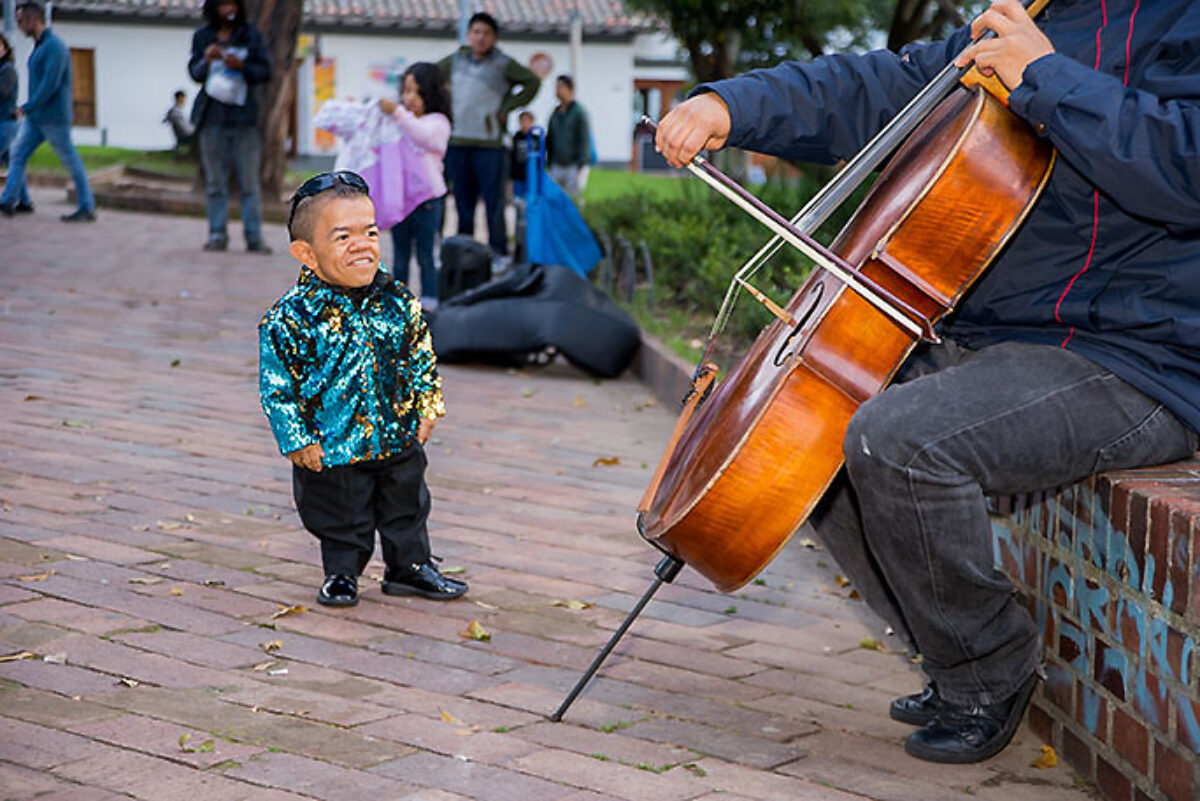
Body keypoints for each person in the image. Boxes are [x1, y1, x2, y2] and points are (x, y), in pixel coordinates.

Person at [655, 0, 1200, 765]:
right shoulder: (1044, 12)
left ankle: (989, 666)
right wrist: (732, 105)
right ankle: (951, 655)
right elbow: (887, 85)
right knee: (811, 427)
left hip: (1138, 355)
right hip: (1000, 336)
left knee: (899, 440)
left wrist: (1044, 78)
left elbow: (1186, 163)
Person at [258, 170, 468, 607]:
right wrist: (297, 439)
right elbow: (278, 387)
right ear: (306, 254)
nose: (362, 244)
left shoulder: (397, 300)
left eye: (370, 232)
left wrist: (427, 404)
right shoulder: (292, 317)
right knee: (340, 512)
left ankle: (409, 566)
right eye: (342, 237)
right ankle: (341, 571)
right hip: (333, 444)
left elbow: (420, 356)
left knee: (407, 504)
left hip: (397, 434)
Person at [438, 12, 540, 266]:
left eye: (486, 33)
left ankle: (498, 253)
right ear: (469, 35)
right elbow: (429, 77)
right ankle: (463, 250)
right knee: (463, 201)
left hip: (490, 145)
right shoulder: (454, 61)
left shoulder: (503, 64)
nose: (480, 37)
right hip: (458, 141)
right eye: (476, 32)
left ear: (494, 38)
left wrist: (507, 107)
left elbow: (532, 82)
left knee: (493, 201)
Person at [188, 0, 271, 253]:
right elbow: (194, 73)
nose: (228, 10)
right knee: (215, 183)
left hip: (244, 120)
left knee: (249, 184)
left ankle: (254, 237)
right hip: (212, 119)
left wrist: (243, 66)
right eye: (223, 5)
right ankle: (216, 234)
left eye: (232, 5)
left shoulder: (251, 35)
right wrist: (206, 59)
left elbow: (266, 71)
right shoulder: (203, 36)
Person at [0, 2, 93, 221]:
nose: (19, 25)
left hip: (54, 118)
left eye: (21, 20)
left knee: (70, 160)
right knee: (17, 155)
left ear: (34, 20)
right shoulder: (40, 46)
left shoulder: (55, 47)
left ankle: (86, 206)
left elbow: (50, 85)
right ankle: (9, 201)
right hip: (37, 119)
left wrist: (26, 107)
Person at [378, 62, 451, 311]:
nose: (408, 98)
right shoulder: (399, 122)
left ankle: (430, 303)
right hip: (400, 200)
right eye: (406, 91)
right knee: (400, 255)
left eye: (415, 91)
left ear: (430, 93)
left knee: (426, 254)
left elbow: (424, 136)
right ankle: (398, 303)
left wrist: (398, 113)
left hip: (427, 200)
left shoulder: (438, 122)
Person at [0, 31, 33, 214]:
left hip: (6, 124)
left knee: (14, 162)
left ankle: (9, 200)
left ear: (5, 49)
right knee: (15, 162)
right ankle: (25, 201)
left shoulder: (8, 70)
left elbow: (2, 93)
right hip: (6, 123)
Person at [545, 74, 590, 200]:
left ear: (570, 90)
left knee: (573, 201)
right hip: (556, 164)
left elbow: (584, 139)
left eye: (560, 87)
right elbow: (550, 137)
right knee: (554, 199)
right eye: (556, 87)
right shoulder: (555, 113)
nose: (557, 91)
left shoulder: (579, 112)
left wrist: (581, 165)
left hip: (573, 165)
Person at [509, 109, 539, 198]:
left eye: (528, 121)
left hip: (533, 177)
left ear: (532, 123)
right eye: (523, 121)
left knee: (532, 201)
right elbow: (511, 157)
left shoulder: (537, 139)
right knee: (518, 202)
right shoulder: (515, 138)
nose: (525, 124)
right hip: (518, 177)